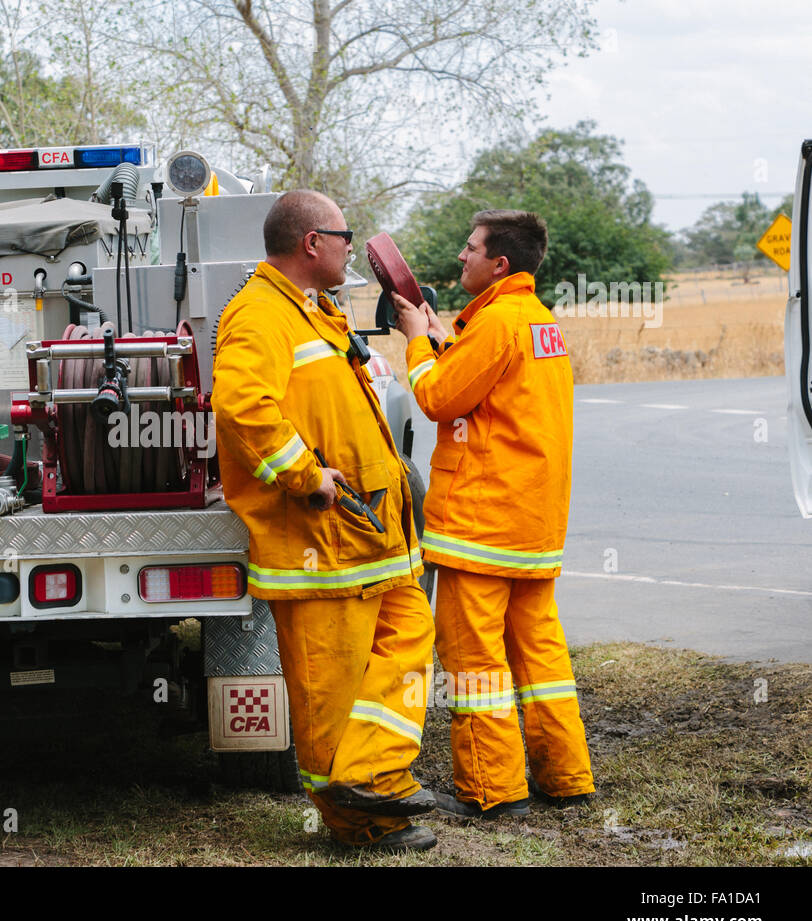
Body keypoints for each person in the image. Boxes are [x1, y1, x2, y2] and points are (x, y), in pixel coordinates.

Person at [211, 189, 438, 852]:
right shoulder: (259, 314)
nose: (351, 247)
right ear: (313, 243)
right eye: (344, 236)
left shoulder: (312, 311)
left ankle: (370, 777)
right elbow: (242, 407)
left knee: (409, 644)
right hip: (318, 544)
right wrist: (307, 478)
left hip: (371, 540)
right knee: (329, 698)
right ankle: (356, 824)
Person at [391, 209, 596, 819]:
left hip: (481, 527)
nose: (461, 256)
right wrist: (443, 337)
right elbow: (489, 392)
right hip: (530, 527)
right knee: (542, 659)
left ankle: (492, 789)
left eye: (470, 247)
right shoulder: (535, 320)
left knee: (475, 661)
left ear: (499, 263)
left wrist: (418, 342)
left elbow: (435, 397)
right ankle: (566, 777)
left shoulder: (499, 322)